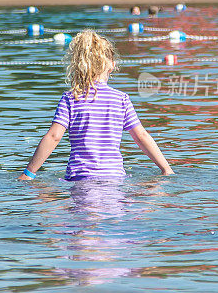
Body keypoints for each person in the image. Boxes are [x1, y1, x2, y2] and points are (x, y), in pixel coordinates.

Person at [19, 30, 174, 181]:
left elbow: (54, 137)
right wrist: (166, 169)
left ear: (78, 65)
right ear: (112, 65)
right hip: (114, 177)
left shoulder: (70, 98)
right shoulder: (121, 99)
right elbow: (141, 137)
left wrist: (29, 172)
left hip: (80, 176)